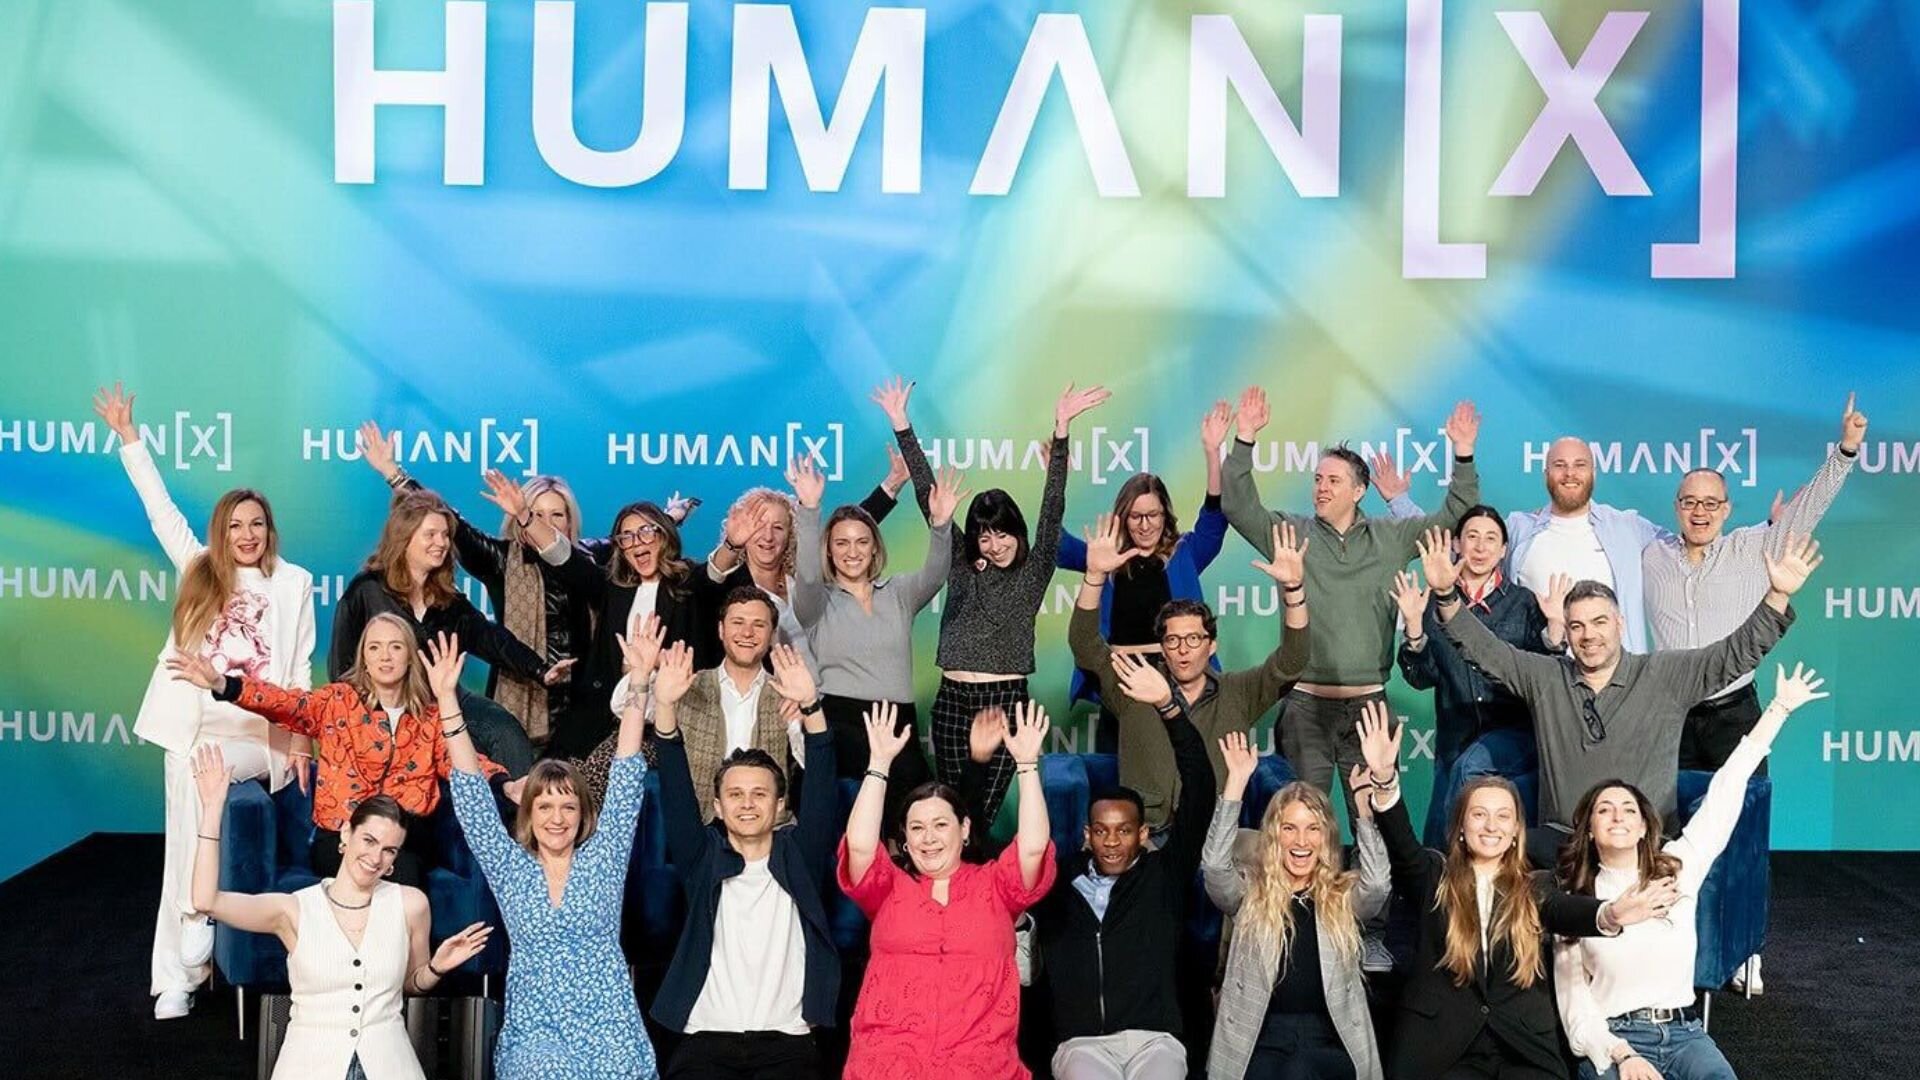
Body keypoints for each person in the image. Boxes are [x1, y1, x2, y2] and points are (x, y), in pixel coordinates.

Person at [93, 384, 319, 1020]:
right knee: (183, 835)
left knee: (205, 782)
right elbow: (160, 510)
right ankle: (178, 972)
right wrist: (129, 437)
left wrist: (301, 738)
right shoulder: (198, 568)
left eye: (256, 524)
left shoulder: (295, 582)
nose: (247, 535)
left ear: (269, 529)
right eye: (235, 525)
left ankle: (197, 925)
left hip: (256, 735)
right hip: (193, 727)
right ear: (222, 532)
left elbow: (300, 668)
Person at [1416, 530, 1818, 867]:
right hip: (1562, 847)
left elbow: (1733, 655)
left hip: (1642, 850)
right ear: (1567, 632)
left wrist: (1777, 595)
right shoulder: (1545, 677)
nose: (1589, 635)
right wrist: (1447, 594)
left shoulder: (1663, 675)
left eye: (1599, 622)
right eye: (1577, 626)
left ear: (1620, 623)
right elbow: (1486, 651)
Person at [1356, 703, 1678, 1080]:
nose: (1491, 826)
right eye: (1479, 815)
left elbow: (1563, 910)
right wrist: (1384, 781)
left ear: (1515, 833)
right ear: (1461, 828)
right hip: (1444, 1048)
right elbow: (1402, 846)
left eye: (1503, 816)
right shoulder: (1433, 875)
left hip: (1521, 1049)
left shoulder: (1536, 885)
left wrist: (1610, 914)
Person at [1553, 663, 1826, 1080]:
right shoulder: (1575, 902)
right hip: (1615, 1037)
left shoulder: (1678, 866)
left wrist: (1778, 710)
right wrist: (1622, 1055)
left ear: (1644, 827)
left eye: (1628, 809)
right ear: (1589, 830)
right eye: (1604, 810)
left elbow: (1727, 789)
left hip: (1685, 1035)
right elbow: (1575, 1009)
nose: (1618, 816)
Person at [1221, 386, 1483, 821]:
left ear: (1359, 490)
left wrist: (1464, 454)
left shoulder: (1390, 537)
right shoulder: (1293, 533)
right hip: (1305, 708)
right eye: (1317, 480)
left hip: (1369, 709)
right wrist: (1244, 438)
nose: (1321, 488)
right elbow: (1238, 506)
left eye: (1333, 481)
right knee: (1302, 825)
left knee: (1374, 826)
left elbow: (1456, 516)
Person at [878, 375, 1107, 825]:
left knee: (979, 813)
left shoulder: (1034, 571)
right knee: (948, 810)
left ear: (1016, 532)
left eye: (1003, 534)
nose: (994, 545)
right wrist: (901, 424)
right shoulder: (962, 565)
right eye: (984, 536)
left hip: (1005, 698)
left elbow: (1053, 507)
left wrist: (1061, 429)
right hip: (952, 698)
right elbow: (930, 499)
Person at [189, 744, 491, 1080]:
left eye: (389, 850)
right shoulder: (294, 909)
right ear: (346, 834)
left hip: (389, 1064)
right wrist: (212, 811)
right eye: (369, 841)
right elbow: (206, 900)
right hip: (309, 1066)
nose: (376, 858)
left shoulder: (411, 904)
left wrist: (436, 967)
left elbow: (411, 985)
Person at [438, 632, 657, 1079]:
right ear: (528, 814)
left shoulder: (604, 858)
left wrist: (639, 681)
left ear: (583, 814)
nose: (557, 818)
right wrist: (447, 700)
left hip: (609, 1030)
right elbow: (472, 795)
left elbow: (626, 775)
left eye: (568, 807)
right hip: (536, 1034)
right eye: (545, 807)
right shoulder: (510, 868)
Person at [169, 613, 508, 886]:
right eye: (374, 647)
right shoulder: (337, 701)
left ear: (410, 657)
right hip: (342, 836)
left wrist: (503, 783)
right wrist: (223, 684)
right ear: (364, 658)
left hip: (404, 837)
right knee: (366, 871)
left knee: (402, 871)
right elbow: (286, 703)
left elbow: (461, 762)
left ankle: (400, 953)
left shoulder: (430, 716)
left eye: (395, 647)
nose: (385, 656)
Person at [649, 640, 841, 1078]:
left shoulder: (799, 857)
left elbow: (823, 784)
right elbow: (675, 784)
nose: (748, 804)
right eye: (735, 794)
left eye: (760, 794)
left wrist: (811, 706)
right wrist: (665, 707)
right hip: (705, 1041)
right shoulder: (702, 859)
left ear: (779, 805)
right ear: (718, 807)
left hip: (788, 1042)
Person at [838, 700, 1057, 1079]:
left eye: (941, 824)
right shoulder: (888, 887)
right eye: (917, 828)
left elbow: (1034, 848)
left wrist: (1026, 766)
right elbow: (859, 847)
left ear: (965, 829)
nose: (928, 838)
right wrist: (879, 765)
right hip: (887, 1064)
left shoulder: (996, 885)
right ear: (904, 839)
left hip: (981, 1067)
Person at [1029, 655, 1219, 1080]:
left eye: (1124, 830)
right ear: (1087, 835)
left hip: (1156, 1041)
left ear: (1143, 833)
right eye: (1101, 831)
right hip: (1082, 1044)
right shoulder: (1060, 879)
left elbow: (1201, 788)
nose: (1112, 841)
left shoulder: (1164, 875)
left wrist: (1169, 708)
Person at [1070, 513, 1311, 832]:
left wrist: (1293, 590)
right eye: (1173, 640)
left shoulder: (1238, 692)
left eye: (1194, 639)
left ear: (1211, 646)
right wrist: (1094, 577)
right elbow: (1085, 645)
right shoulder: (1135, 687)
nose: (1183, 648)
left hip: (1216, 836)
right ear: (1163, 648)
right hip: (1149, 837)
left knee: (1254, 852)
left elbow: (1292, 662)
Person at [357, 421, 589, 747]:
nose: (545, 525)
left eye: (557, 516)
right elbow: (448, 521)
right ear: (520, 518)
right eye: (535, 514)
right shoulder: (500, 560)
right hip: (519, 700)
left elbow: (633, 550)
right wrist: (394, 475)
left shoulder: (590, 563)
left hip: (583, 706)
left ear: (571, 520)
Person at [331, 488, 565, 775]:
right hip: (384, 706)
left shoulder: (449, 600)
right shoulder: (366, 590)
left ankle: (517, 801)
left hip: (445, 699)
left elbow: (492, 639)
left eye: (445, 535)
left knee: (505, 730)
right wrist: (362, 719)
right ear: (404, 537)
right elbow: (341, 668)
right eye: (430, 534)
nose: (441, 543)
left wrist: (541, 670)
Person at [1202, 733, 1392, 1080]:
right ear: (1274, 836)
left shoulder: (1340, 899)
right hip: (1260, 1040)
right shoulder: (1250, 896)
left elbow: (1378, 885)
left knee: (1299, 1071)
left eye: (1312, 828)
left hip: (1329, 1040)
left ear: (1326, 836)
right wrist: (1236, 784)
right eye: (1289, 828)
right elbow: (1214, 869)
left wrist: (1364, 812)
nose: (1301, 841)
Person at [1056, 402, 1234, 754]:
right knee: (1117, 773)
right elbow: (1056, 543)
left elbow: (1214, 519)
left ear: (1165, 515)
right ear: (1123, 518)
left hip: (1178, 679)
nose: (1145, 524)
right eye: (1136, 516)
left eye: (1153, 515)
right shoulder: (1106, 557)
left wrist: (1213, 454)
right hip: (1119, 683)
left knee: (1183, 768)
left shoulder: (1184, 554)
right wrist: (1056, 477)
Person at [788, 453, 961, 802]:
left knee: (922, 804)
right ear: (829, 551)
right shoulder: (817, 602)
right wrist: (809, 510)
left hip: (898, 721)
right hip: (840, 722)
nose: (852, 551)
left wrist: (941, 525)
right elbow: (806, 577)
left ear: (874, 548)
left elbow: (935, 574)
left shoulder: (898, 592)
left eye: (862, 541)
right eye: (841, 543)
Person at [1391, 507, 1569, 845]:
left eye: (1491, 539)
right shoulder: (1432, 603)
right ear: (1457, 544)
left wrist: (1556, 630)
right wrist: (1414, 629)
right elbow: (1421, 678)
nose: (1480, 546)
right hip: (1454, 743)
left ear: (1503, 550)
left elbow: (1547, 677)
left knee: (1494, 831)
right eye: (1472, 536)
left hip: (1514, 743)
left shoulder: (1525, 603)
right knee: (1439, 841)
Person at [702, 450, 919, 674]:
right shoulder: (728, 587)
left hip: (828, 689)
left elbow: (847, 531)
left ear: (790, 534)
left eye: (778, 527)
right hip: (770, 690)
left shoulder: (805, 575)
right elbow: (707, 580)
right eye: (758, 527)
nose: (768, 537)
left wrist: (894, 482)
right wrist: (731, 545)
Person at [543, 497, 727, 759]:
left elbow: (714, 573)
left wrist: (732, 544)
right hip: (607, 716)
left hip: (671, 720)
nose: (636, 542)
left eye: (645, 532)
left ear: (664, 536)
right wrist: (524, 516)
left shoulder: (688, 583)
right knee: (547, 773)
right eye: (626, 537)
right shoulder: (614, 587)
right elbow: (567, 560)